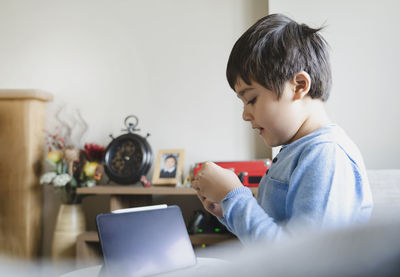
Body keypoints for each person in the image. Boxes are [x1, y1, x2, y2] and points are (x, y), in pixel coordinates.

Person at [191, 14, 373, 244]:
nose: (245, 115)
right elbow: (270, 233)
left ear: (298, 86)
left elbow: (304, 260)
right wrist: (225, 208)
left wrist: (233, 195)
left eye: (252, 99)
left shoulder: (327, 154)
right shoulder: (297, 151)